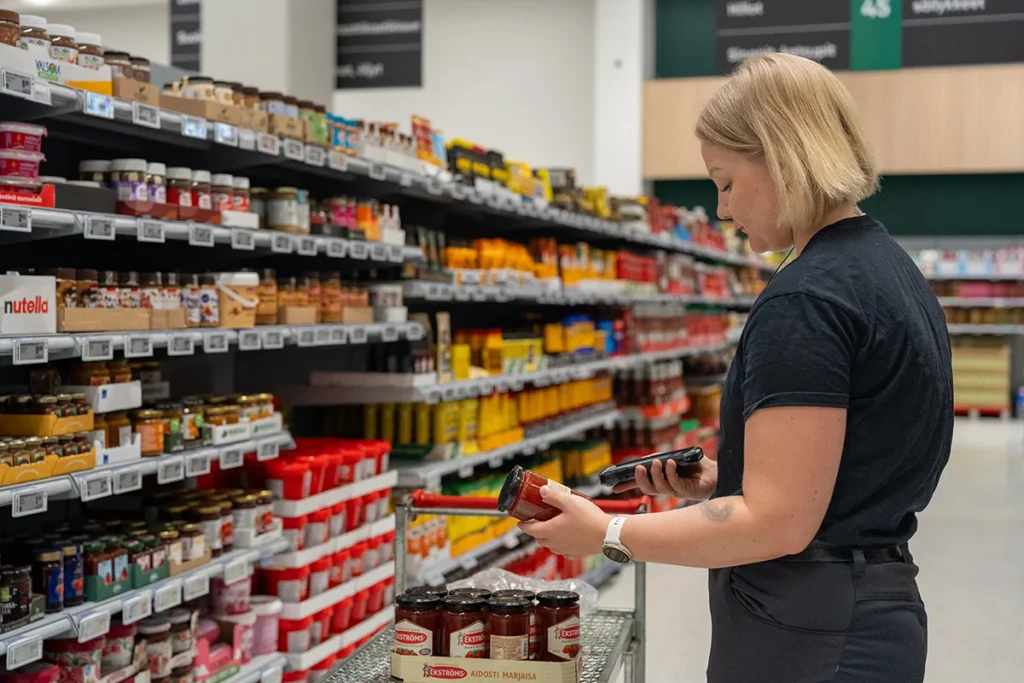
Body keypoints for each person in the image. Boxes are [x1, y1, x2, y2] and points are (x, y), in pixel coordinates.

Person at [518, 52, 953, 683]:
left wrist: (608, 531)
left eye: (725, 182)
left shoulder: (808, 298)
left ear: (786, 159)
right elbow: (854, 466)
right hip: (867, 607)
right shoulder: (888, 269)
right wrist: (732, 480)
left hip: (808, 629)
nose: (722, 211)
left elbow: (777, 523)